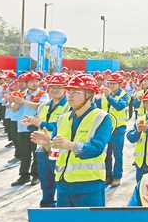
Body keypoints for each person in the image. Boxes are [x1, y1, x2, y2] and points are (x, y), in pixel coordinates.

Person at [31, 74, 113, 207]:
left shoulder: (102, 118)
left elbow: (96, 149)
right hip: (63, 186)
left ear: (89, 94)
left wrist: (70, 145)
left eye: (75, 92)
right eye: (69, 91)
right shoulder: (63, 118)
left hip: (89, 185)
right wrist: (47, 145)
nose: (70, 95)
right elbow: (55, 154)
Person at [22, 74, 69, 207]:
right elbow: (38, 121)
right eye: (52, 87)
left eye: (59, 87)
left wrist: (41, 123)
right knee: (45, 178)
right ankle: (46, 203)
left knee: (59, 177)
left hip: (57, 148)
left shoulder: (68, 106)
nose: (54, 90)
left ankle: (61, 205)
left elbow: (59, 127)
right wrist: (32, 122)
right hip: (42, 147)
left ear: (65, 88)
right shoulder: (43, 105)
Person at [11, 71, 47, 186]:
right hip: (22, 127)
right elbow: (14, 109)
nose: (34, 84)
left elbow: (41, 106)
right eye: (31, 82)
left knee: (36, 153)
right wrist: (16, 102)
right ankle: (24, 175)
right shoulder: (21, 94)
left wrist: (24, 102)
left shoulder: (42, 94)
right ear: (26, 83)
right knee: (24, 153)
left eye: (36, 81)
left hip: (35, 127)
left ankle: (36, 176)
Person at [100, 72, 129, 187]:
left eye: (114, 83)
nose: (111, 85)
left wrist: (109, 97)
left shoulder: (124, 95)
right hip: (105, 128)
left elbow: (119, 106)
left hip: (118, 129)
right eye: (109, 83)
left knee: (117, 154)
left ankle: (117, 176)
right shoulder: (104, 94)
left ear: (119, 84)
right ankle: (108, 176)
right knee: (106, 154)